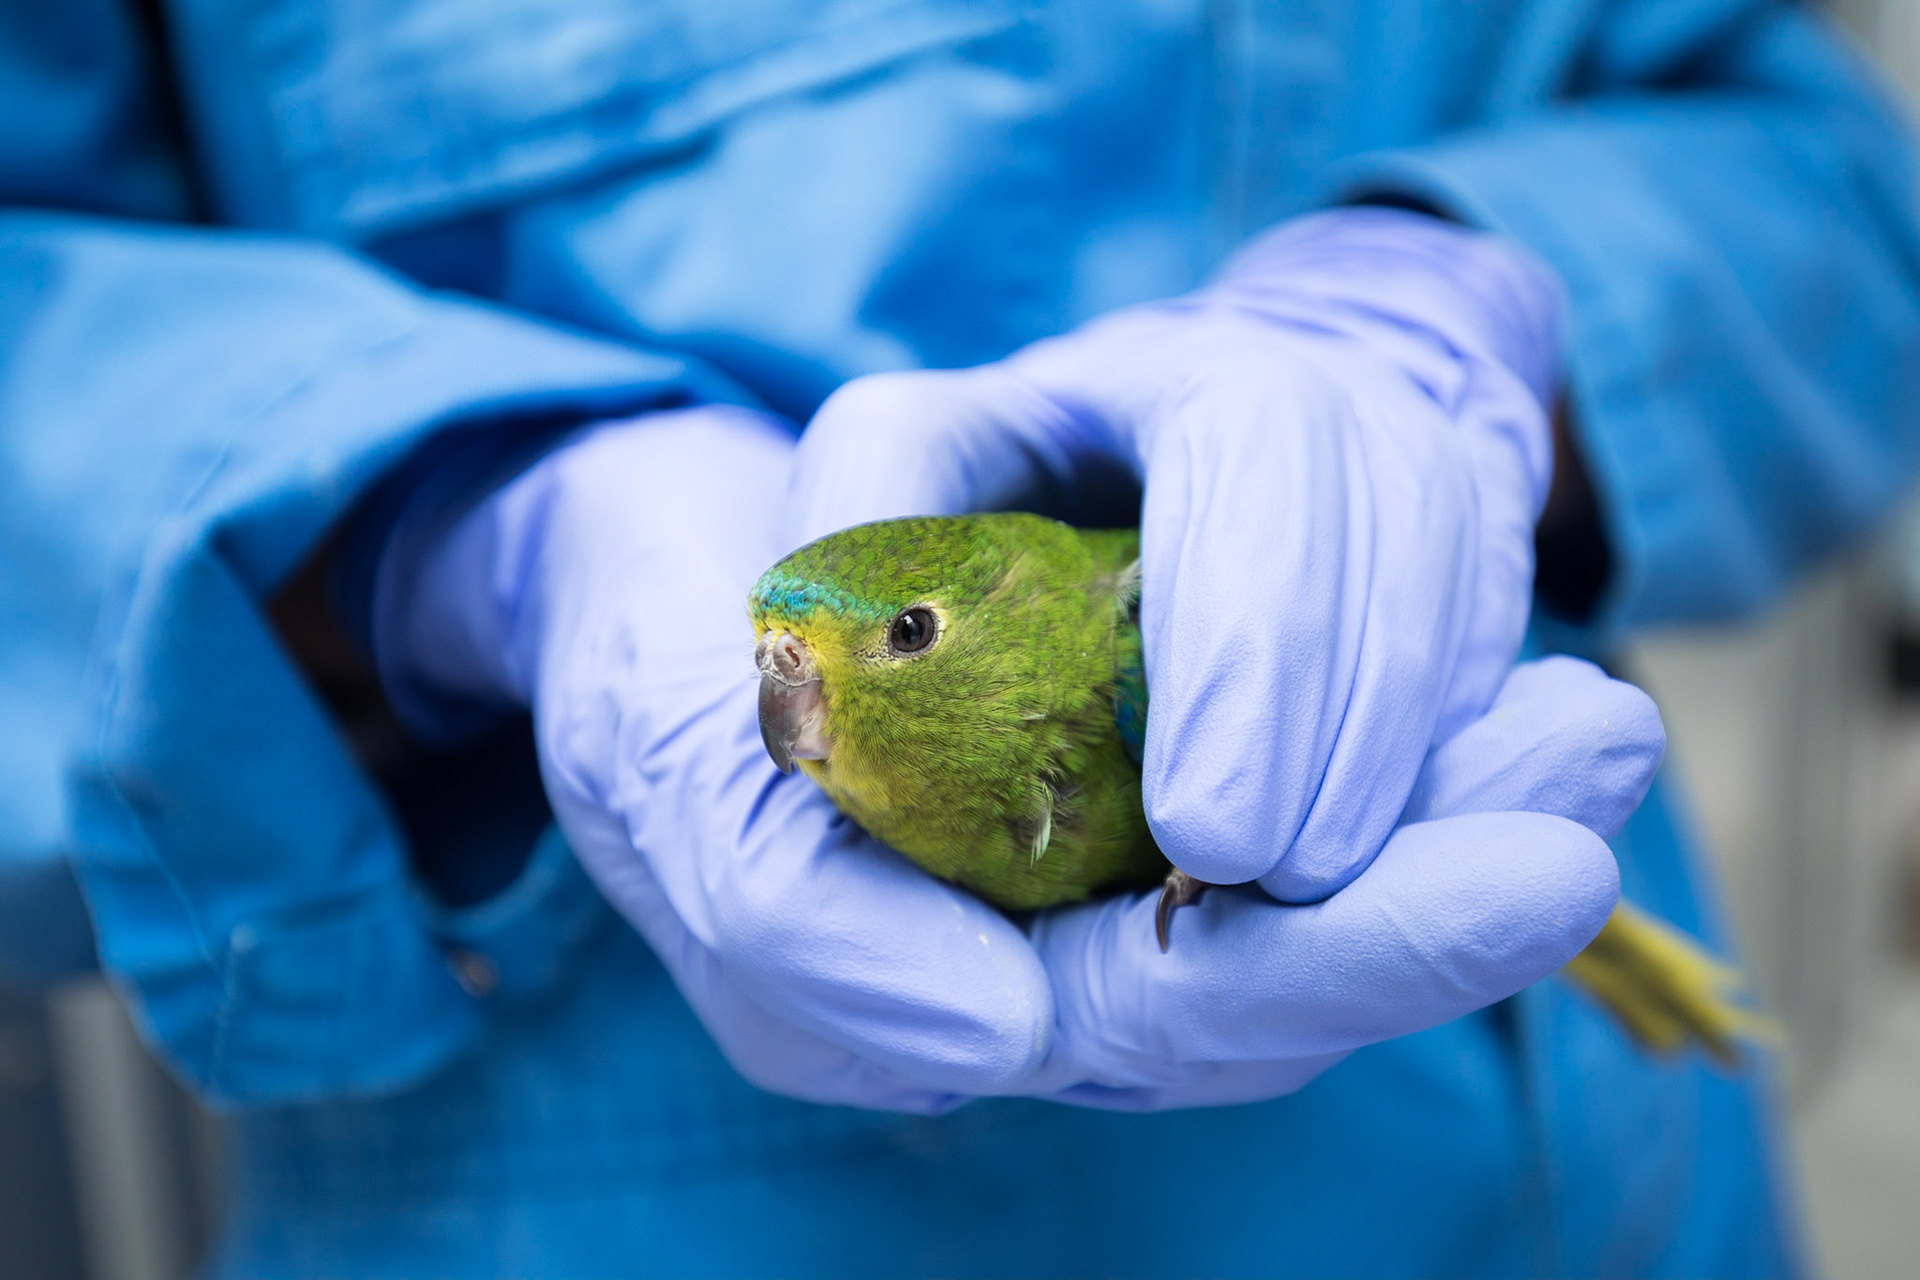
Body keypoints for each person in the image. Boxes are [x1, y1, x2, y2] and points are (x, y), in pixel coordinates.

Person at [2, 0, 1916, 1275]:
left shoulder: (1089, 663)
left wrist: (1462, 320)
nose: (796, 699)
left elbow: (1824, 166)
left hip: (1584, 1176)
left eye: (884, 640)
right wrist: (452, 525)